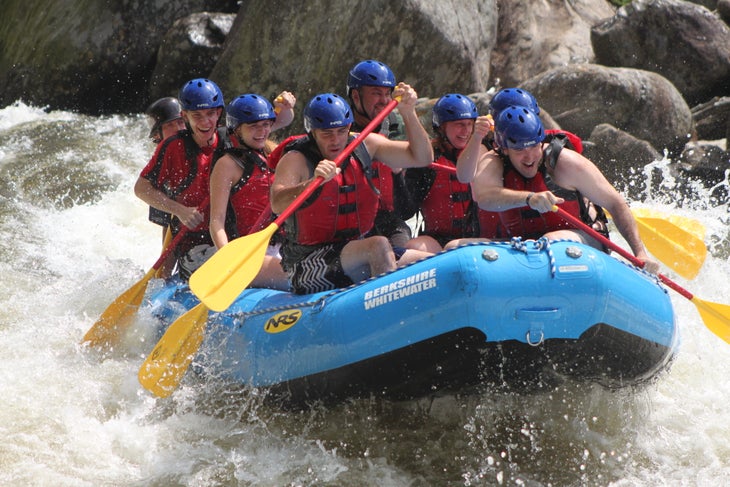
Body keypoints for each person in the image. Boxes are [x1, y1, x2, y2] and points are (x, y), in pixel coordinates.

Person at [456, 103, 659, 273]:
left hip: (580, 240)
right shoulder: (494, 161)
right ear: (505, 149)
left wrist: (639, 253)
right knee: (454, 248)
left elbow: (615, 203)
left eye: (533, 146)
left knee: (549, 242)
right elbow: (484, 197)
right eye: (519, 150)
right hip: (524, 246)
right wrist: (529, 198)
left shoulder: (564, 163)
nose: (529, 157)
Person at [270, 89, 434, 295]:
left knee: (430, 266)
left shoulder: (366, 144)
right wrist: (312, 183)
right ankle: (386, 312)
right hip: (306, 262)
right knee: (379, 245)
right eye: (327, 134)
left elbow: (422, 158)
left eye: (341, 131)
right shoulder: (296, 159)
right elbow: (276, 202)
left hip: (355, 250)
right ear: (312, 132)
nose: (336, 140)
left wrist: (408, 112)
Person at [134, 78, 228, 281]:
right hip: (194, 243)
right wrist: (180, 210)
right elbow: (142, 190)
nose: (205, 122)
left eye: (210, 114)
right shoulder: (170, 152)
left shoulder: (227, 139)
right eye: (171, 125)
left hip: (227, 236)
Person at [208, 92, 295, 290]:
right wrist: (229, 258)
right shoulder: (227, 165)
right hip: (246, 254)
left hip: (283, 246)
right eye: (253, 126)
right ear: (237, 129)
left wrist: (286, 106)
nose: (261, 131)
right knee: (296, 276)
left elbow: (286, 118)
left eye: (265, 125)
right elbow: (216, 221)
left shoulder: (272, 154)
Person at [402, 93, 490, 253]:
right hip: (438, 240)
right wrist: (396, 177)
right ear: (441, 127)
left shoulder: (482, 151)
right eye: (459, 124)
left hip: (477, 237)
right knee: (413, 246)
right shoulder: (426, 162)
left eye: (470, 124)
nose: (466, 131)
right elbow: (405, 210)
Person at [346, 59, 412, 248]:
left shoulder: (395, 127)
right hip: (350, 222)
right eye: (376, 94)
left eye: (387, 94)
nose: (384, 100)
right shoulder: (337, 132)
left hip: (386, 220)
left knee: (400, 243)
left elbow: (406, 211)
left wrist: (398, 174)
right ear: (356, 96)